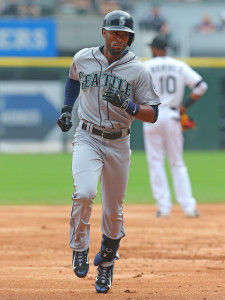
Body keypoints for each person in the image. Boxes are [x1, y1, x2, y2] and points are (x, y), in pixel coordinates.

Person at [57, 10, 160, 294]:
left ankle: (106, 265)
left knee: (113, 211)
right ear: (104, 32)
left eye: (125, 35)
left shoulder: (138, 70)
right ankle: (79, 246)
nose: (120, 38)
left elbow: (153, 115)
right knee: (85, 192)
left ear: (130, 38)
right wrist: (67, 110)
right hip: (87, 136)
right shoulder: (83, 58)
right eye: (115, 33)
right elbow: (73, 79)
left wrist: (129, 106)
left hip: (118, 142)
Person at [143, 35, 208, 218]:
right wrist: (185, 106)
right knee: (177, 162)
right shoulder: (179, 65)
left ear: (155, 49)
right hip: (172, 115)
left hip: (152, 115)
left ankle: (163, 207)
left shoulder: (146, 66)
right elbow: (201, 86)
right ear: (167, 49)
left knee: (156, 162)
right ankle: (188, 206)